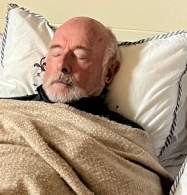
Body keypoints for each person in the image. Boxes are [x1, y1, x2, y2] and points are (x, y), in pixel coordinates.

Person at [10, 15, 142, 129]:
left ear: (108, 72)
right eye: (56, 53)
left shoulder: (125, 134)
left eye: (80, 56)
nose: (62, 65)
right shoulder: (4, 109)